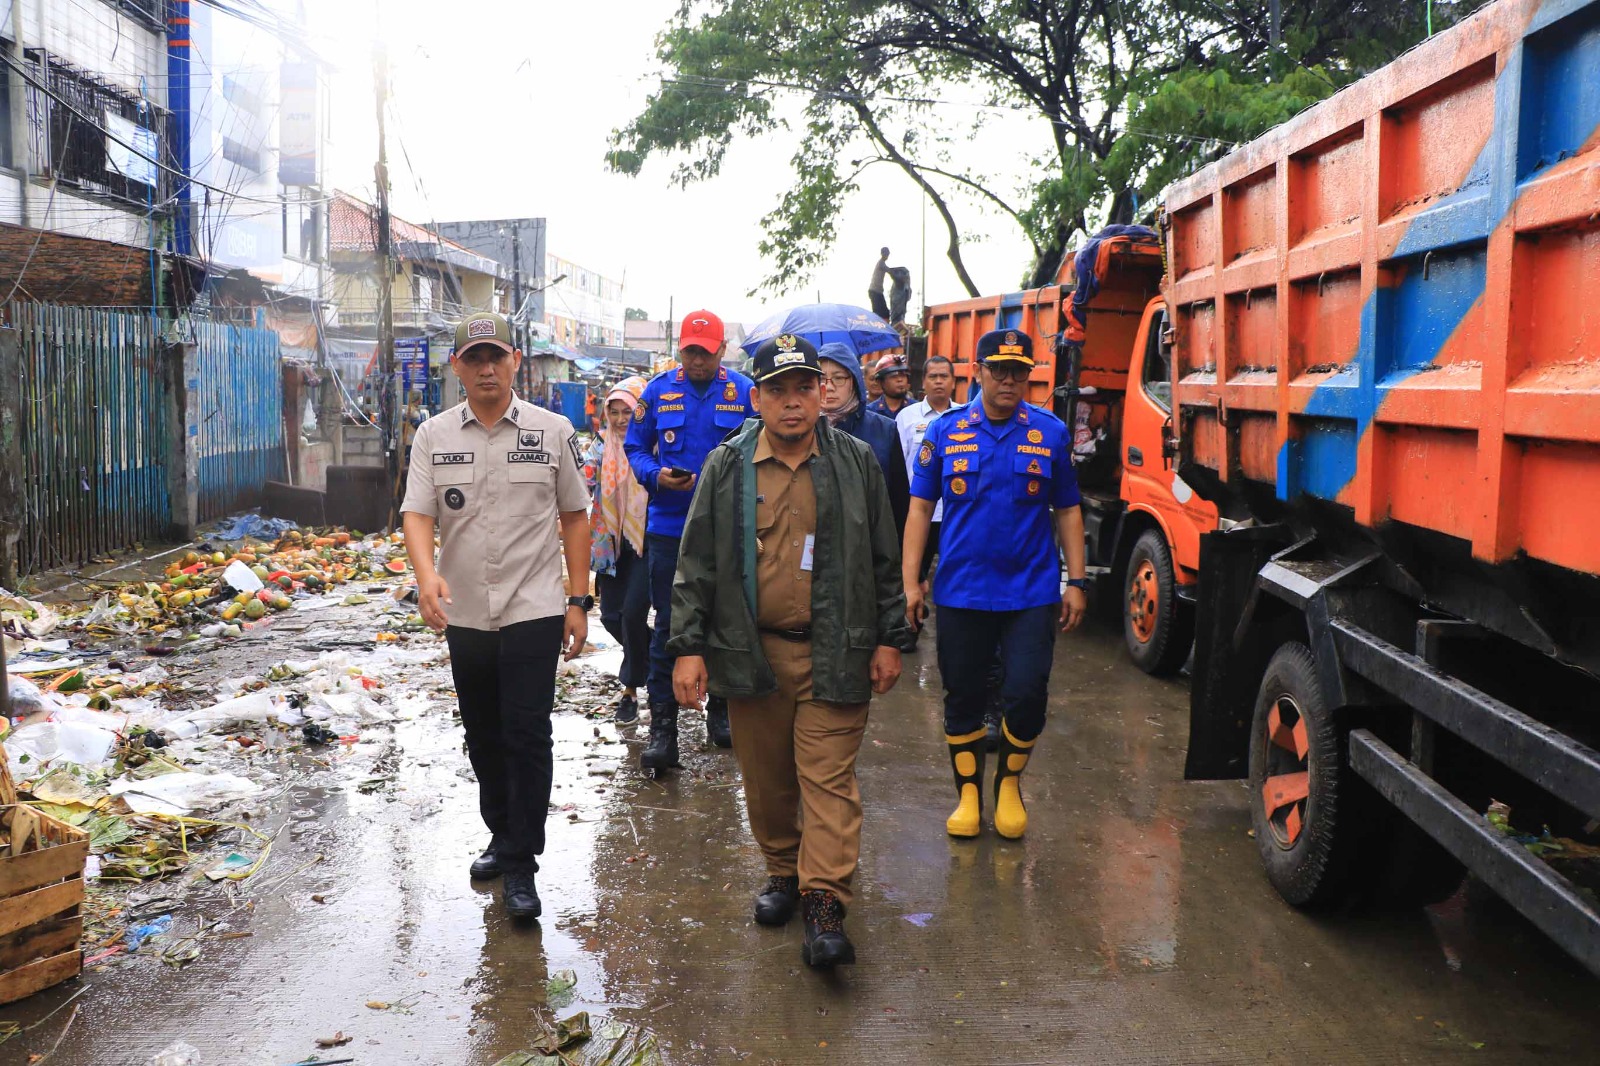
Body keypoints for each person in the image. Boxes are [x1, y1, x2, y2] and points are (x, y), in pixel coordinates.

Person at [669, 333, 912, 968]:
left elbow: (887, 558)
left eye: (805, 386)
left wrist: (891, 637)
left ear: (822, 392)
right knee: (768, 781)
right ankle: (782, 871)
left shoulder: (857, 461)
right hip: (753, 653)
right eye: (777, 390)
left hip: (839, 651)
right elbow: (695, 562)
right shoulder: (726, 466)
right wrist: (687, 648)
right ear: (757, 398)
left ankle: (825, 901)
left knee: (828, 780)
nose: (793, 401)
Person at [401, 311, 593, 920]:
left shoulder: (553, 429)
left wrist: (578, 600)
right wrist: (426, 575)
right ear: (456, 366)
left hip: (534, 605)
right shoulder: (433, 435)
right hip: (464, 611)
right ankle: (502, 833)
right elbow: (418, 514)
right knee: (482, 732)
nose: (487, 368)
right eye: (474, 358)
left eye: (496, 357)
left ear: (516, 361)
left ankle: (521, 863)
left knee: (526, 731)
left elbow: (575, 516)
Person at [902, 328, 1089, 841]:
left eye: (1019, 372)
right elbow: (920, 510)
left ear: (1029, 376)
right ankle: (967, 796)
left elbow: (1069, 511)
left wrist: (1077, 580)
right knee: (961, 695)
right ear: (978, 372)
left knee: (1026, 693)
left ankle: (1008, 784)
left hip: (1030, 592)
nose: (1009, 380)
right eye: (999, 370)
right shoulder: (946, 432)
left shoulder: (1049, 432)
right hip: (961, 591)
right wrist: (911, 581)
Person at [625, 309, 757, 769]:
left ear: (722, 350)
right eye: (689, 351)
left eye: (705, 351)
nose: (696, 360)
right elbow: (634, 448)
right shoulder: (659, 391)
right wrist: (655, 475)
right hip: (669, 530)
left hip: (728, 532)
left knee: (725, 623)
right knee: (668, 629)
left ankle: (721, 712)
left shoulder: (742, 392)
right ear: (680, 349)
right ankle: (663, 729)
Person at [590, 376, 651, 724]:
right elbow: (582, 486)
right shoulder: (598, 448)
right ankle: (658, 656)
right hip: (609, 541)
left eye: (627, 410)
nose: (620, 418)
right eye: (613, 411)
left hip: (645, 540)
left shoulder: (651, 445)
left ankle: (629, 690)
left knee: (631, 613)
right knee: (611, 616)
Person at [817, 342, 910, 535]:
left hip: (869, 541)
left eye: (839, 378)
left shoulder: (885, 430)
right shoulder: (803, 428)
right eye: (821, 379)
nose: (830, 387)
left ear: (854, 381)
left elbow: (898, 501)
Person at [895, 355, 957, 589]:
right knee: (914, 577)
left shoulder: (966, 418)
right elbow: (898, 466)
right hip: (919, 512)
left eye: (944, 376)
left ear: (953, 381)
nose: (939, 381)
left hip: (954, 512)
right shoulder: (907, 417)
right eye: (933, 376)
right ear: (924, 381)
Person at [868, 246, 891, 321]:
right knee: (878, 313)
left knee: (885, 313)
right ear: (882, 254)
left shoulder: (882, 263)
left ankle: (884, 326)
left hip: (878, 291)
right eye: (886, 254)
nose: (887, 256)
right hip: (875, 291)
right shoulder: (881, 263)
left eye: (888, 254)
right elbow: (890, 271)